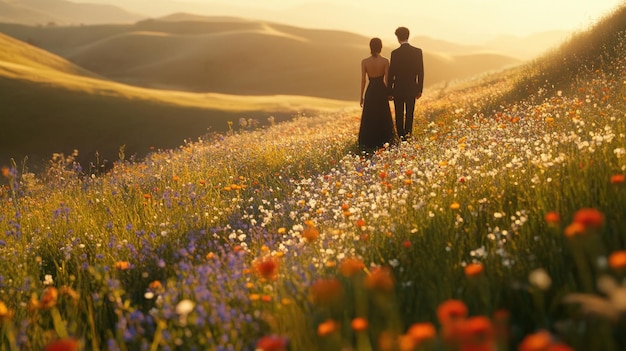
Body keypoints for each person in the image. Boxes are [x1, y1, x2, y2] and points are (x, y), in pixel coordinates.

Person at [358, 38, 398, 150]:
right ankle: (385, 139)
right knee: (382, 114)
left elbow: (363, 80)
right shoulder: (385, 61)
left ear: (370, 47)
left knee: (370, 115)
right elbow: (387, 80)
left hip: (370, 91)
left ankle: (369, 142)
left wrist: (361, 96)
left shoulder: (364, 62)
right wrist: (389, 92)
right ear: (381, 47)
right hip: (381, 90)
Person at [388, 26, 424, 140]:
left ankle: (401, 136)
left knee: (399, 114)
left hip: (398, 88)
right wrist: (419, 89)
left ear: (398, 38)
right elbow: (420, 72)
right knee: (410, 113)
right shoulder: (417, 52)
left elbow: (391, 73)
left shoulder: (395, 53)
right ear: (408, 36)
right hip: (412, 88)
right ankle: (408, 135)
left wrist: (389, 90)